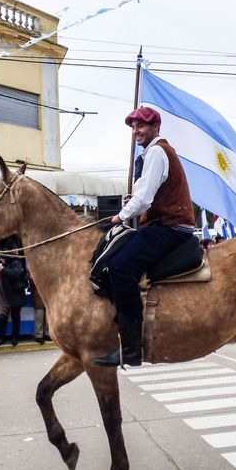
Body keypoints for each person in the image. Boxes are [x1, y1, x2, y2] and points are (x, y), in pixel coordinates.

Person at [94, 106, 195, 368]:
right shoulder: (151, 154)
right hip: (160, 224)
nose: (136, 131)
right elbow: (144, 195)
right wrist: (132, 203)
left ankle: (130, 350)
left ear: (155, 128)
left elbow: (144, 197)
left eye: (142, 126)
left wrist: (119, 216)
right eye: (134, 126)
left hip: (170, 226)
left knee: (120, 267)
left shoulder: (158, 151)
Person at [0, 257, 27, 347]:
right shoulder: (5, 265)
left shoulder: (16, 263)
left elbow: (15, 275)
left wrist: (3, 270)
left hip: (16, 297)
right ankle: (1, 338)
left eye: (2, 258)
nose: (1, 260)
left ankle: (15, 338)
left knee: (15, 318)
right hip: (5, 296)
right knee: (3, 318)